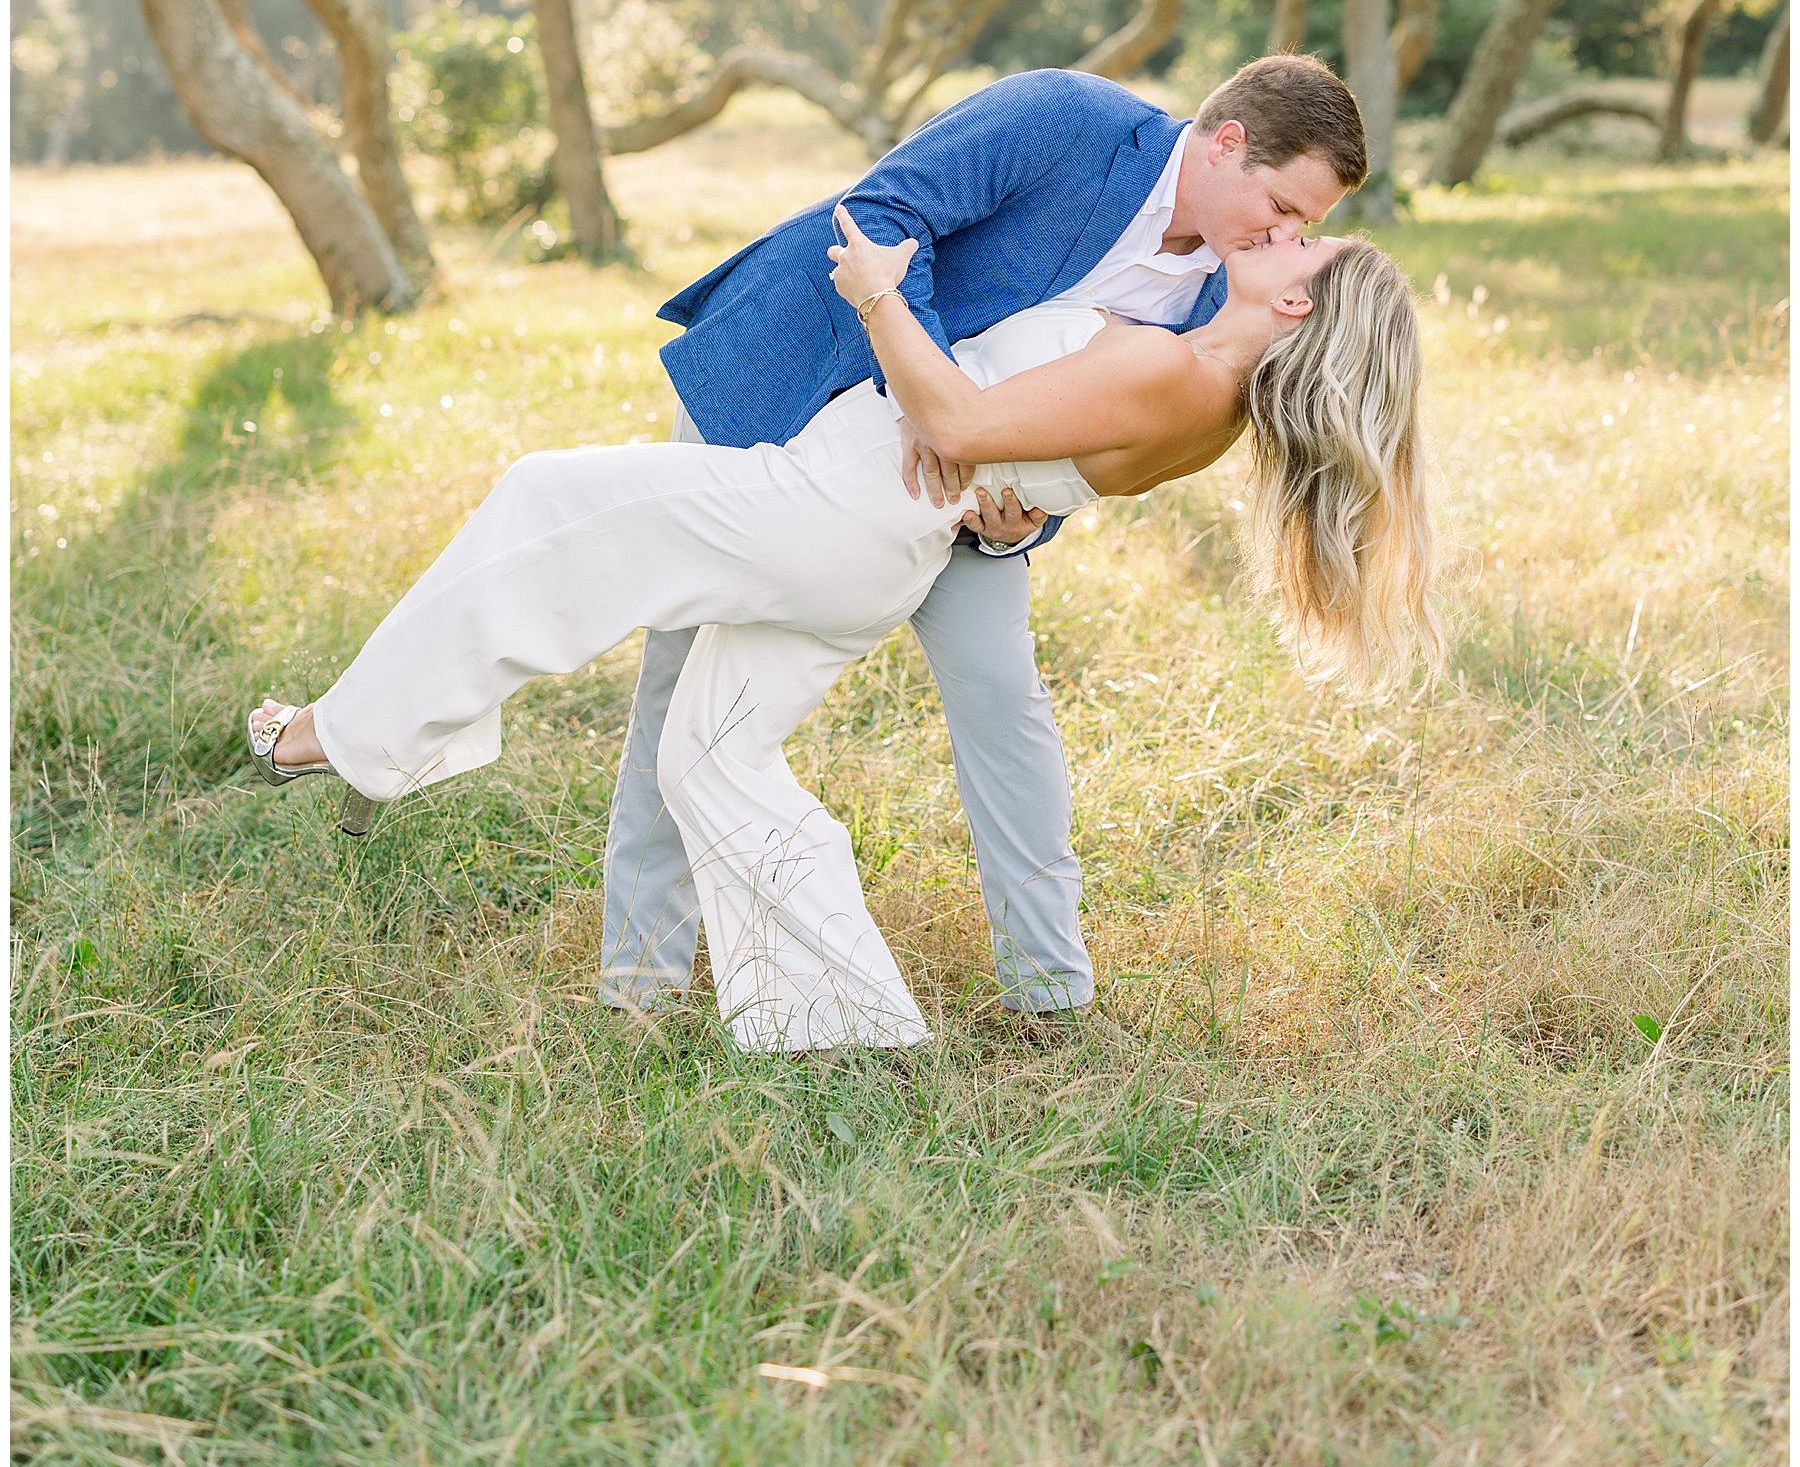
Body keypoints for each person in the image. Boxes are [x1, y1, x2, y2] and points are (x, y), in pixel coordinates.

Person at [245, 217, 1440, 1054]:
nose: (1286, 230)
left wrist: (877, 289)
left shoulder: (1184, 378)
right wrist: (1000, 480)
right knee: (708, 759)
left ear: (1292, 303)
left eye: (1302, 242)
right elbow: (1014, 458)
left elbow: (957, 416)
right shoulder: (1197, 385)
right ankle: (841, 1022)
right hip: (880, 542)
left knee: (548, 496)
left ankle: (347, 737)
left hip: (829, 511)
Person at [597, 55, 1365, 1020]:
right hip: (789, 395)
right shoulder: (1067, 119)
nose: (1287, 235)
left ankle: (1051, 994)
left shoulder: (1229, 298)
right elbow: (878, 215)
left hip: (958, 511)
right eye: (1286, 206)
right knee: (682, 680)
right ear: (1227, 142)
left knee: (1005, 699)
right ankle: (640, 985)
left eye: (1307, 229)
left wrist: (1029, 518)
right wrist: (922, 404)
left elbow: (1116, 430)